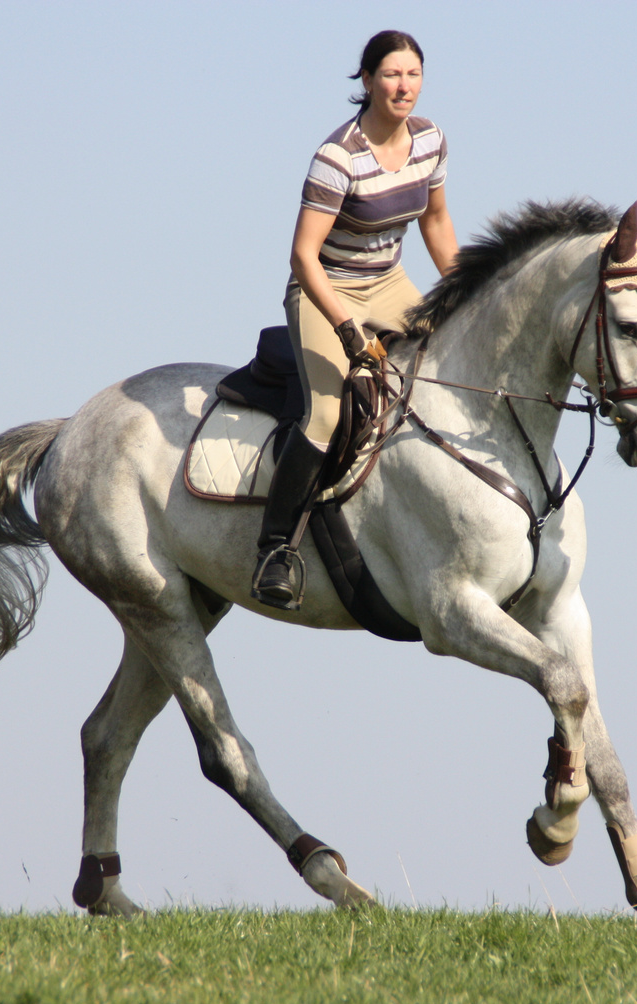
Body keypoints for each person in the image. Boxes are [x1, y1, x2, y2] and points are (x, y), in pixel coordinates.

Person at [252, 29, 459, 610]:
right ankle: (275, 549)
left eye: (413, 74)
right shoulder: (337, 158)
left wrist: (468, 294)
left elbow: (437, 225)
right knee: (324, 412)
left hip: (389, 281)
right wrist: (347, 330)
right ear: (366, 81)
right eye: (392, 74)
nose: (404, 86)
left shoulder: (431, 142)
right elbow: (303, 255)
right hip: (326, 289)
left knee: (447, 365)